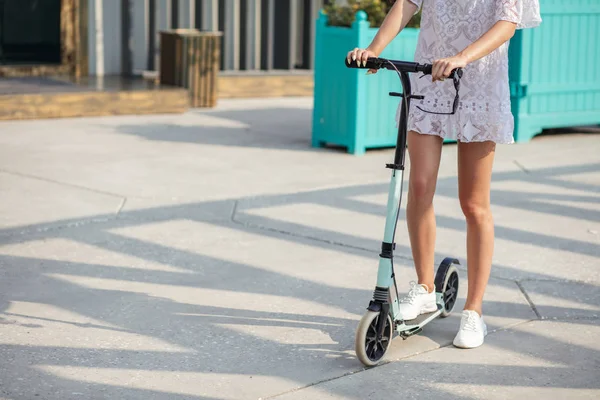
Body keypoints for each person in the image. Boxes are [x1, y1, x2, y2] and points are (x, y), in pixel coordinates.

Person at [347, 0, 541, 349]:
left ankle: (474, 311)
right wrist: (373, 50)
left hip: (479, 83)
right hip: (429, 79)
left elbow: (507, 23)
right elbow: (407, 4)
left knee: (473, 204)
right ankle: (424, 288)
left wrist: (462, 57)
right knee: (419, 187)